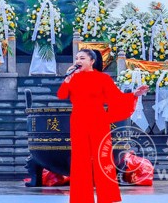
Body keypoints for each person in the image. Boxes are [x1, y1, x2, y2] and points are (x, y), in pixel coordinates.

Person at [57, 49, 149, 203]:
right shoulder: (73, 78)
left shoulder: (102, 79)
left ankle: (107, 196)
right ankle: (81, 198)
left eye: (82, 58)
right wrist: (67, 79)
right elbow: (61, 95)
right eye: (77, 58)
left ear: (92, 61)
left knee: (102, 158)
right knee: (80, 160)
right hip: (78, 121)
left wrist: (133, 94)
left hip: (98, 121)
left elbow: (117, 97)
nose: (78, 61)